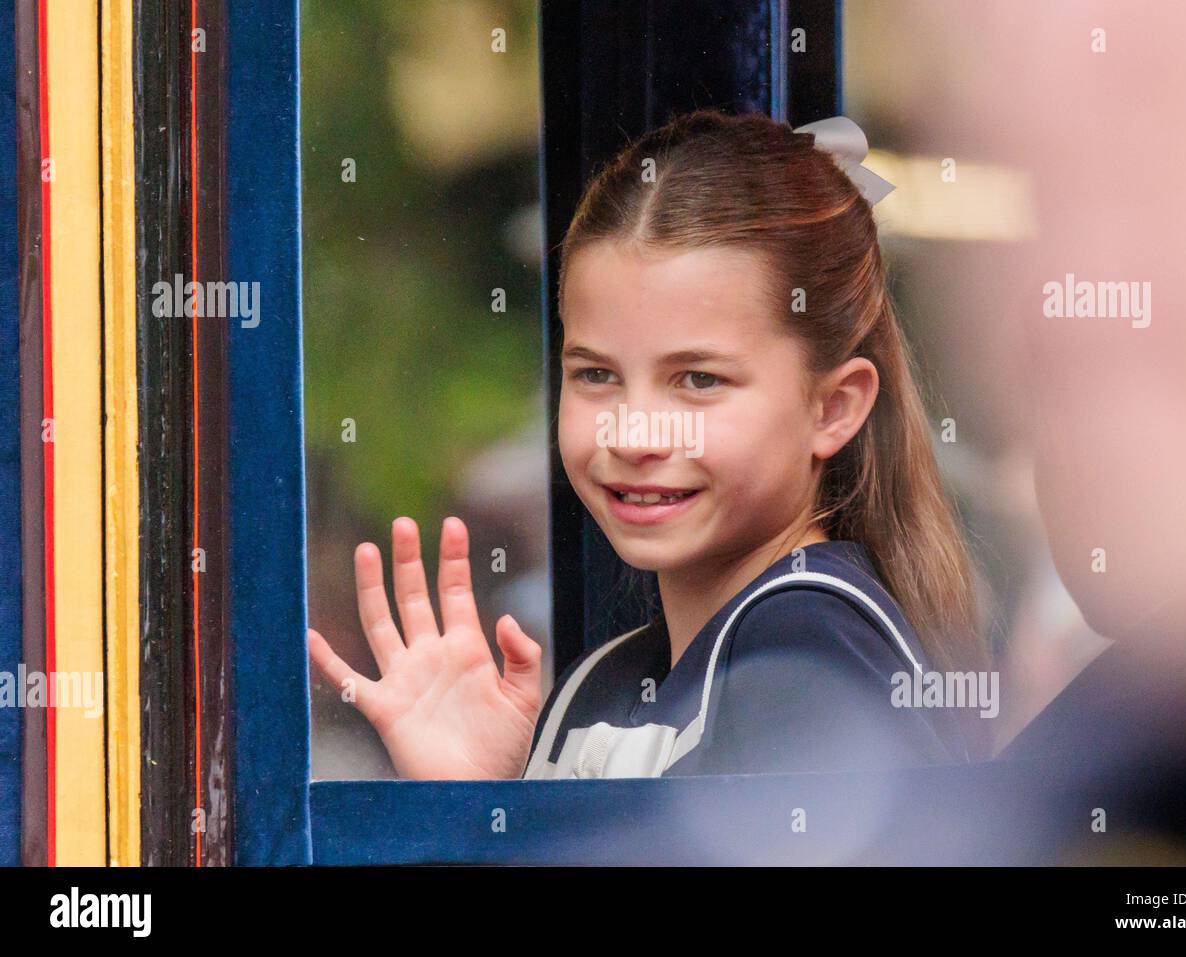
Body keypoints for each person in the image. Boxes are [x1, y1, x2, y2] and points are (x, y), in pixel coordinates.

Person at [307, 108, 990, 780]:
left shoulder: (807, 655)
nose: (634, 433)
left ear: (833, 408)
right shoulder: (609, 679)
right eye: (597, 374)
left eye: (698, 379)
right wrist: (492, 807)